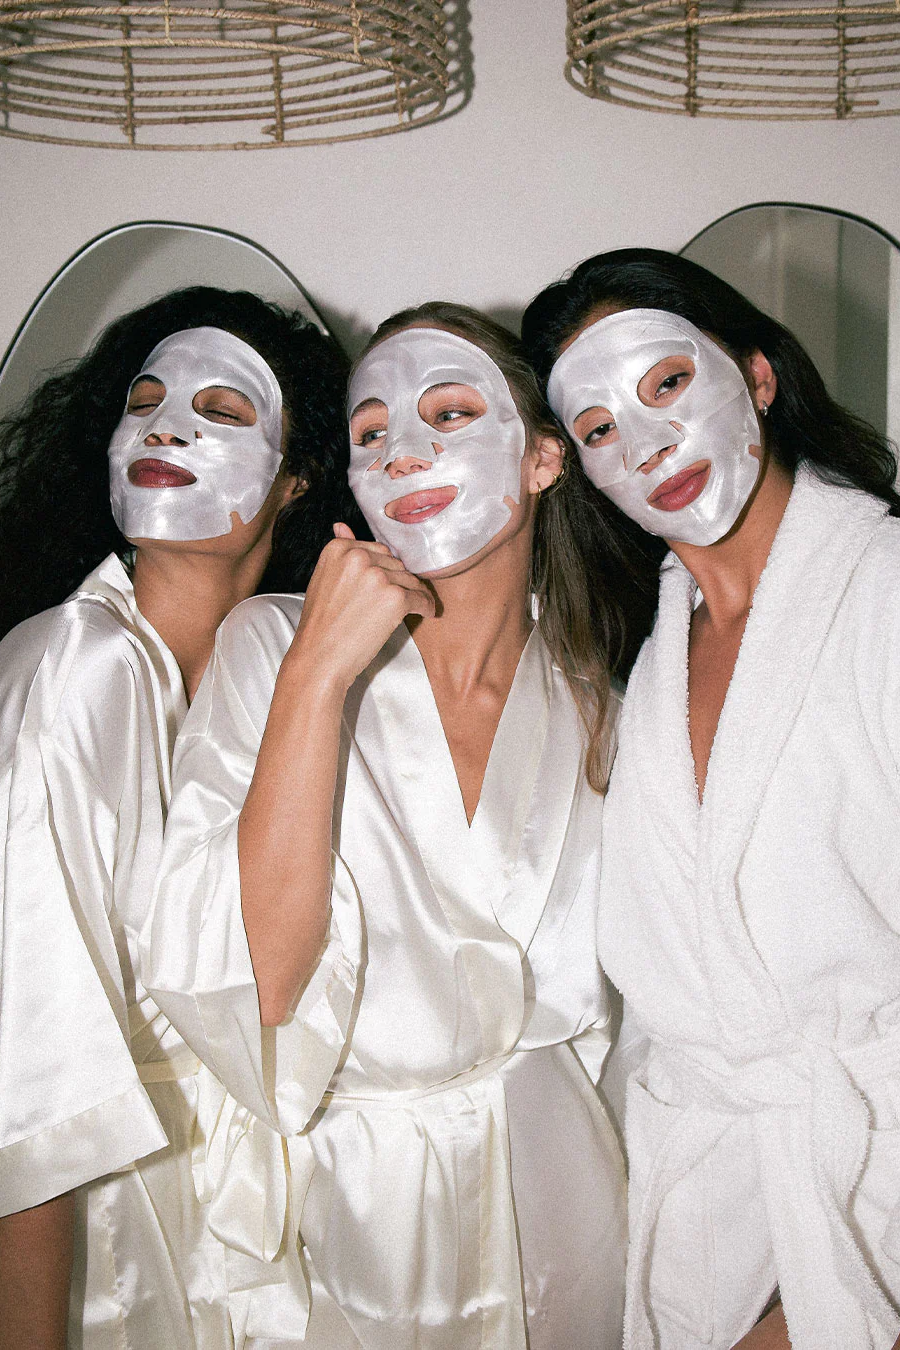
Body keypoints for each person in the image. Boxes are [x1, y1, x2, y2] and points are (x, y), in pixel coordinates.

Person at [144, 303, 628, 1349]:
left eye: (449, 411)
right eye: (370, 435)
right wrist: (318, 674)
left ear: (545, 458)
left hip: (565, 1203)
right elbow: (260, 977)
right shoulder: (271, 644)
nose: (404, 449)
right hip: (353, 1217)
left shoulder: (598, 699)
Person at [521, 248, 900, 1350]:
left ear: (759, 376)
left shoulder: (882, 598)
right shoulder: (648, 660)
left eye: (668, 385)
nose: (643, 443)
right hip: (702, 1209)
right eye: (596, 429)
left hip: (865, 1204)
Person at [0, 286, 352, 1348]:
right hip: (110, 1237)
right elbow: (29, 1072)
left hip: (276, 1221)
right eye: (143, 401)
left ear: (297, 478)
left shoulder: (288, 665)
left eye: (223, 410)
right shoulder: (75, 664)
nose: (168, 426)